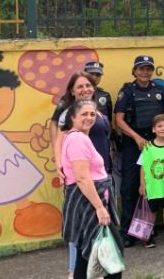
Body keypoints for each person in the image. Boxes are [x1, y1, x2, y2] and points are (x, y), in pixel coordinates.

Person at [115, 55, 164, 247]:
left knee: (159, 182)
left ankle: (151, 229)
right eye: (141, 68)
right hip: (134, 143)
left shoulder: (159, 90)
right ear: (134, 71)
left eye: (148, 68)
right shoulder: (127, 91)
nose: (145, 72)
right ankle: (127, 232)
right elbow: (119, 120)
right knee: (130, 187)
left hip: (158, 142)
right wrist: (136, 138)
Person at [60, 99, 122, 279]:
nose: (89, 117)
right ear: (72, 117)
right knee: (111, 252)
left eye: (92, 114)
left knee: (85, 256)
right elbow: (81, 177)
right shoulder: (77, 139)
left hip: (89, 200)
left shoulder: (78, 137)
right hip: (88, 202)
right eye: (84, 114)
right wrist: (99, 208)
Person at [137, 114, 164, 247]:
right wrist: (142, 184)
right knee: (151, 210)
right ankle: (149, 233)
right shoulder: (147, 147)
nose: (163, 128)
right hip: (152, 186)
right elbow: (143, 166)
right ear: (153, 129)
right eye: (159, 126)